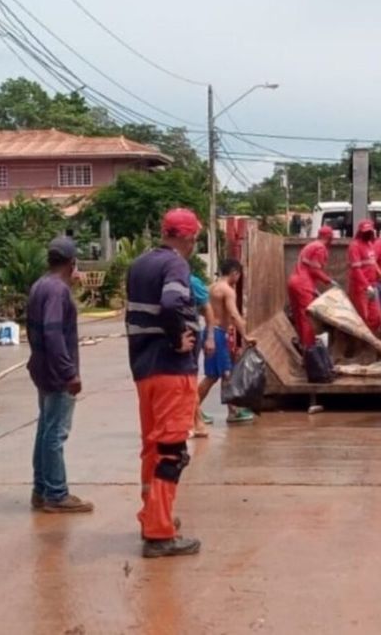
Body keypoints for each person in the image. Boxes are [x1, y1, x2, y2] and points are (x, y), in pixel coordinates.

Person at [126, 208, 203, 558]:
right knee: (172, 451)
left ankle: (153, 516)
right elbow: (172, 303)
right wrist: (178, 340)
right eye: (195, 239)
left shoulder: (139, 264)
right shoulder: (175, 265)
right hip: (172, 370)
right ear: (187, 237)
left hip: (145, 370)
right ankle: (159, 533)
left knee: (153, 448)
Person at [27, 237, 93, 514]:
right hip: (56, 374)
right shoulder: (57, 291)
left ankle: (41, 489)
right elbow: (53, 332)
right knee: (55, 433)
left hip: (42, 370)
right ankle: (56, 493)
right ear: (72, 262)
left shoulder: (41, 285)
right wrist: (69, 372)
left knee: (45, 430)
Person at [197, 259, 257, 423]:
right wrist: (245, 335)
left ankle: (233, 411)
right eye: (238, 275)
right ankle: (191, 412)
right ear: (234, 273)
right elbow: (234, 315)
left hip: (211, 332)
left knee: (225, 373)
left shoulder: (211, 288)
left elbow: (203, 310)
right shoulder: (228, 290)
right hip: (216, 335)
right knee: (212, 376)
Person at [287, 225, 335, 349]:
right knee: (307, 318)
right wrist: (328, 280)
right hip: (303, 285)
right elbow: (315, 269)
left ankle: (304, 345)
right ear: (329, 237)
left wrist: (314, 289)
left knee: (299, 316)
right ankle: (310, 350)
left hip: (294, 282)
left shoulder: (309, 246)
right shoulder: (320, 248)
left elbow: (307, 268)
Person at [347, 219, 381, 333]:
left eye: (369, 231)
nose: (367, 234)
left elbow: (373, 264)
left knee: (377, 317)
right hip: (360, 288)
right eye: (365, 232)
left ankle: (369, 340)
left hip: (372, 286)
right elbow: (356, 270)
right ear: (360, 232)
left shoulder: (370, 244)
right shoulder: (354, 246)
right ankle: (361, 344)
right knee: (363, 316)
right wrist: (366, 286)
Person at [190, 274, 216, 438]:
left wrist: (210, 337)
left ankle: (197, 419)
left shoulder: (192, 281)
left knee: (189, 379)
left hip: (190, 335)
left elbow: (207, 309)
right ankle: (194, 416)